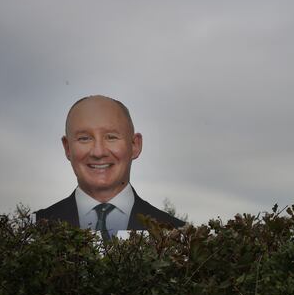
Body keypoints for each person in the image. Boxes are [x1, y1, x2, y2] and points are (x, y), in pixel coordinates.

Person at [35, 95, 184, 237]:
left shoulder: (179, 235)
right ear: (67, 148)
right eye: (84, 138)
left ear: (135, 145)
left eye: (111, 137)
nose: (98, 152)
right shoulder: (30, 231)